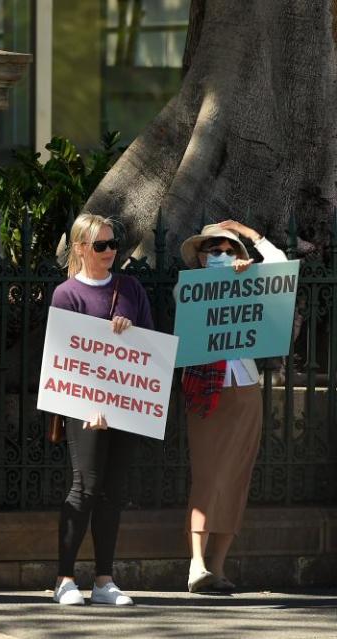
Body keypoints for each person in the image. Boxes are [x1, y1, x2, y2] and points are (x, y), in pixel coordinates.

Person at [49, 212, 153, 606]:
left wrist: (132, 333)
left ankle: (104, 580)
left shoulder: (131, 288)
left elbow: (150, 344)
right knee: (86, 487)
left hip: (126, 403)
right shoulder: (68, 294)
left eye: (113, 244)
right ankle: (64, 578)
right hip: (84, 406)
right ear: (80, 248)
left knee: (113, 492)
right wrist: (89, 402)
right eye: (100, 245)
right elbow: (65, 355)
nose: (110, 251)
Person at [179, 220, 287, 593]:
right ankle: (196, 565)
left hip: (246, 389)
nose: (222, 256)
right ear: (201, 256)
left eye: (229, 250)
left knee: (237, 478)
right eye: (215, 250)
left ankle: (218, 568)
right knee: (209, 477)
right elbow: (188, 310)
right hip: (209, 392)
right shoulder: (189, 288)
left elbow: (280, 265)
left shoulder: (251, 281)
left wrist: (252, 240)